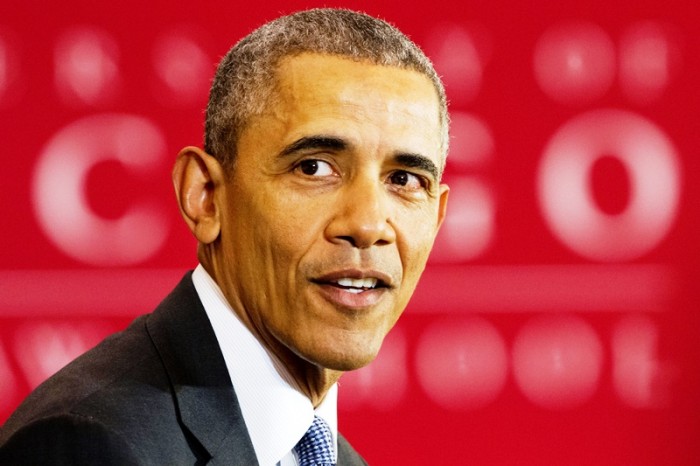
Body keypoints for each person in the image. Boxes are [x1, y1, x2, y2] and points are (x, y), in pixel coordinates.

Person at [0, 8, 449, 465]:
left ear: (437, 217)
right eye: (313, 167)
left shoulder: (334, 458)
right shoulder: (91, 446)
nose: (368, 225)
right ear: (206, 196)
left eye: (406, 180)